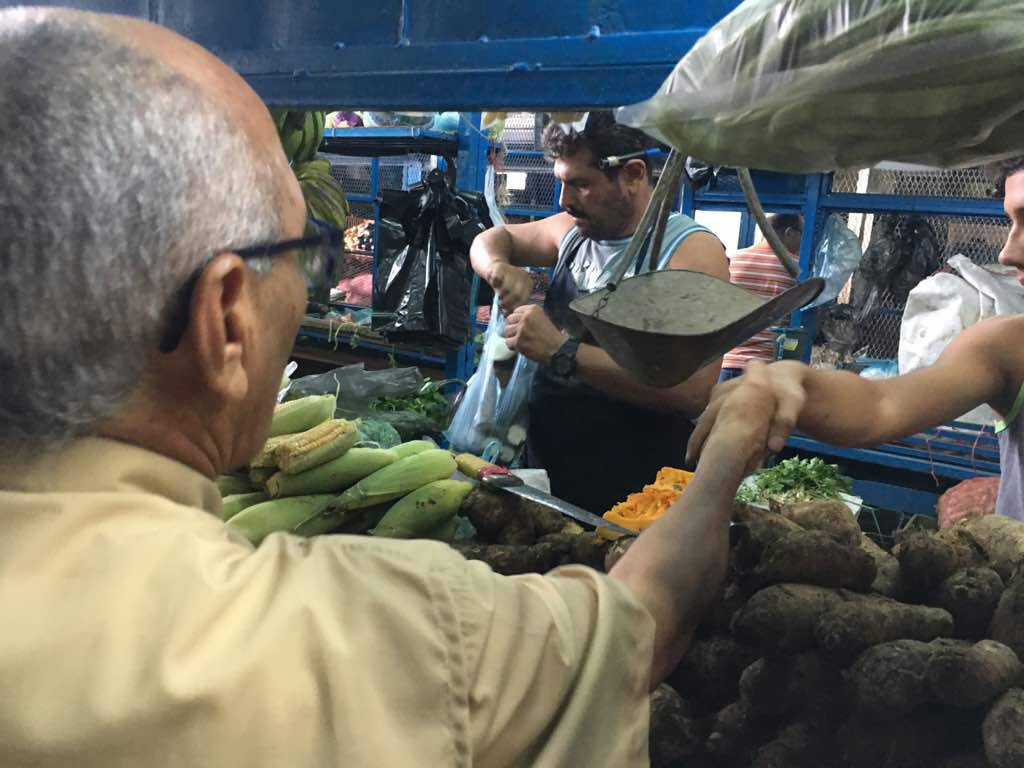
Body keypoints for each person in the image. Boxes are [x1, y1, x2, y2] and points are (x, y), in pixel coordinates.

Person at [0, 8, 770, 766]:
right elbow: (642, 624)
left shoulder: (688, 247)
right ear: (225, 321)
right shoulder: (391, 640)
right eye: (306, 254)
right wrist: (726, 460)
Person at [688, 156, 1024, 521]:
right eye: (1011, 221)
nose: (1008, 252)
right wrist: (791, 381)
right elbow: (880, 404)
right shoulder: (1007, 346)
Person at [470, 112, 729, 513]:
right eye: (561, 182)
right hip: (548, 478)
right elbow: (491, 239)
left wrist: (562, 352)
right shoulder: (570, 233)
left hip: (635, 496)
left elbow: (693, 391)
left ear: (633, 175)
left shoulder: (689, 252)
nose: (564, 200)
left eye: (580, 184)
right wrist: (498, 269)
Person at [719, 214, 802, 382]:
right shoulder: (796, 268)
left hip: (725, 363)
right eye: (802, 234)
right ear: (789, 233)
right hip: (764, 369)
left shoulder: (734, 259)